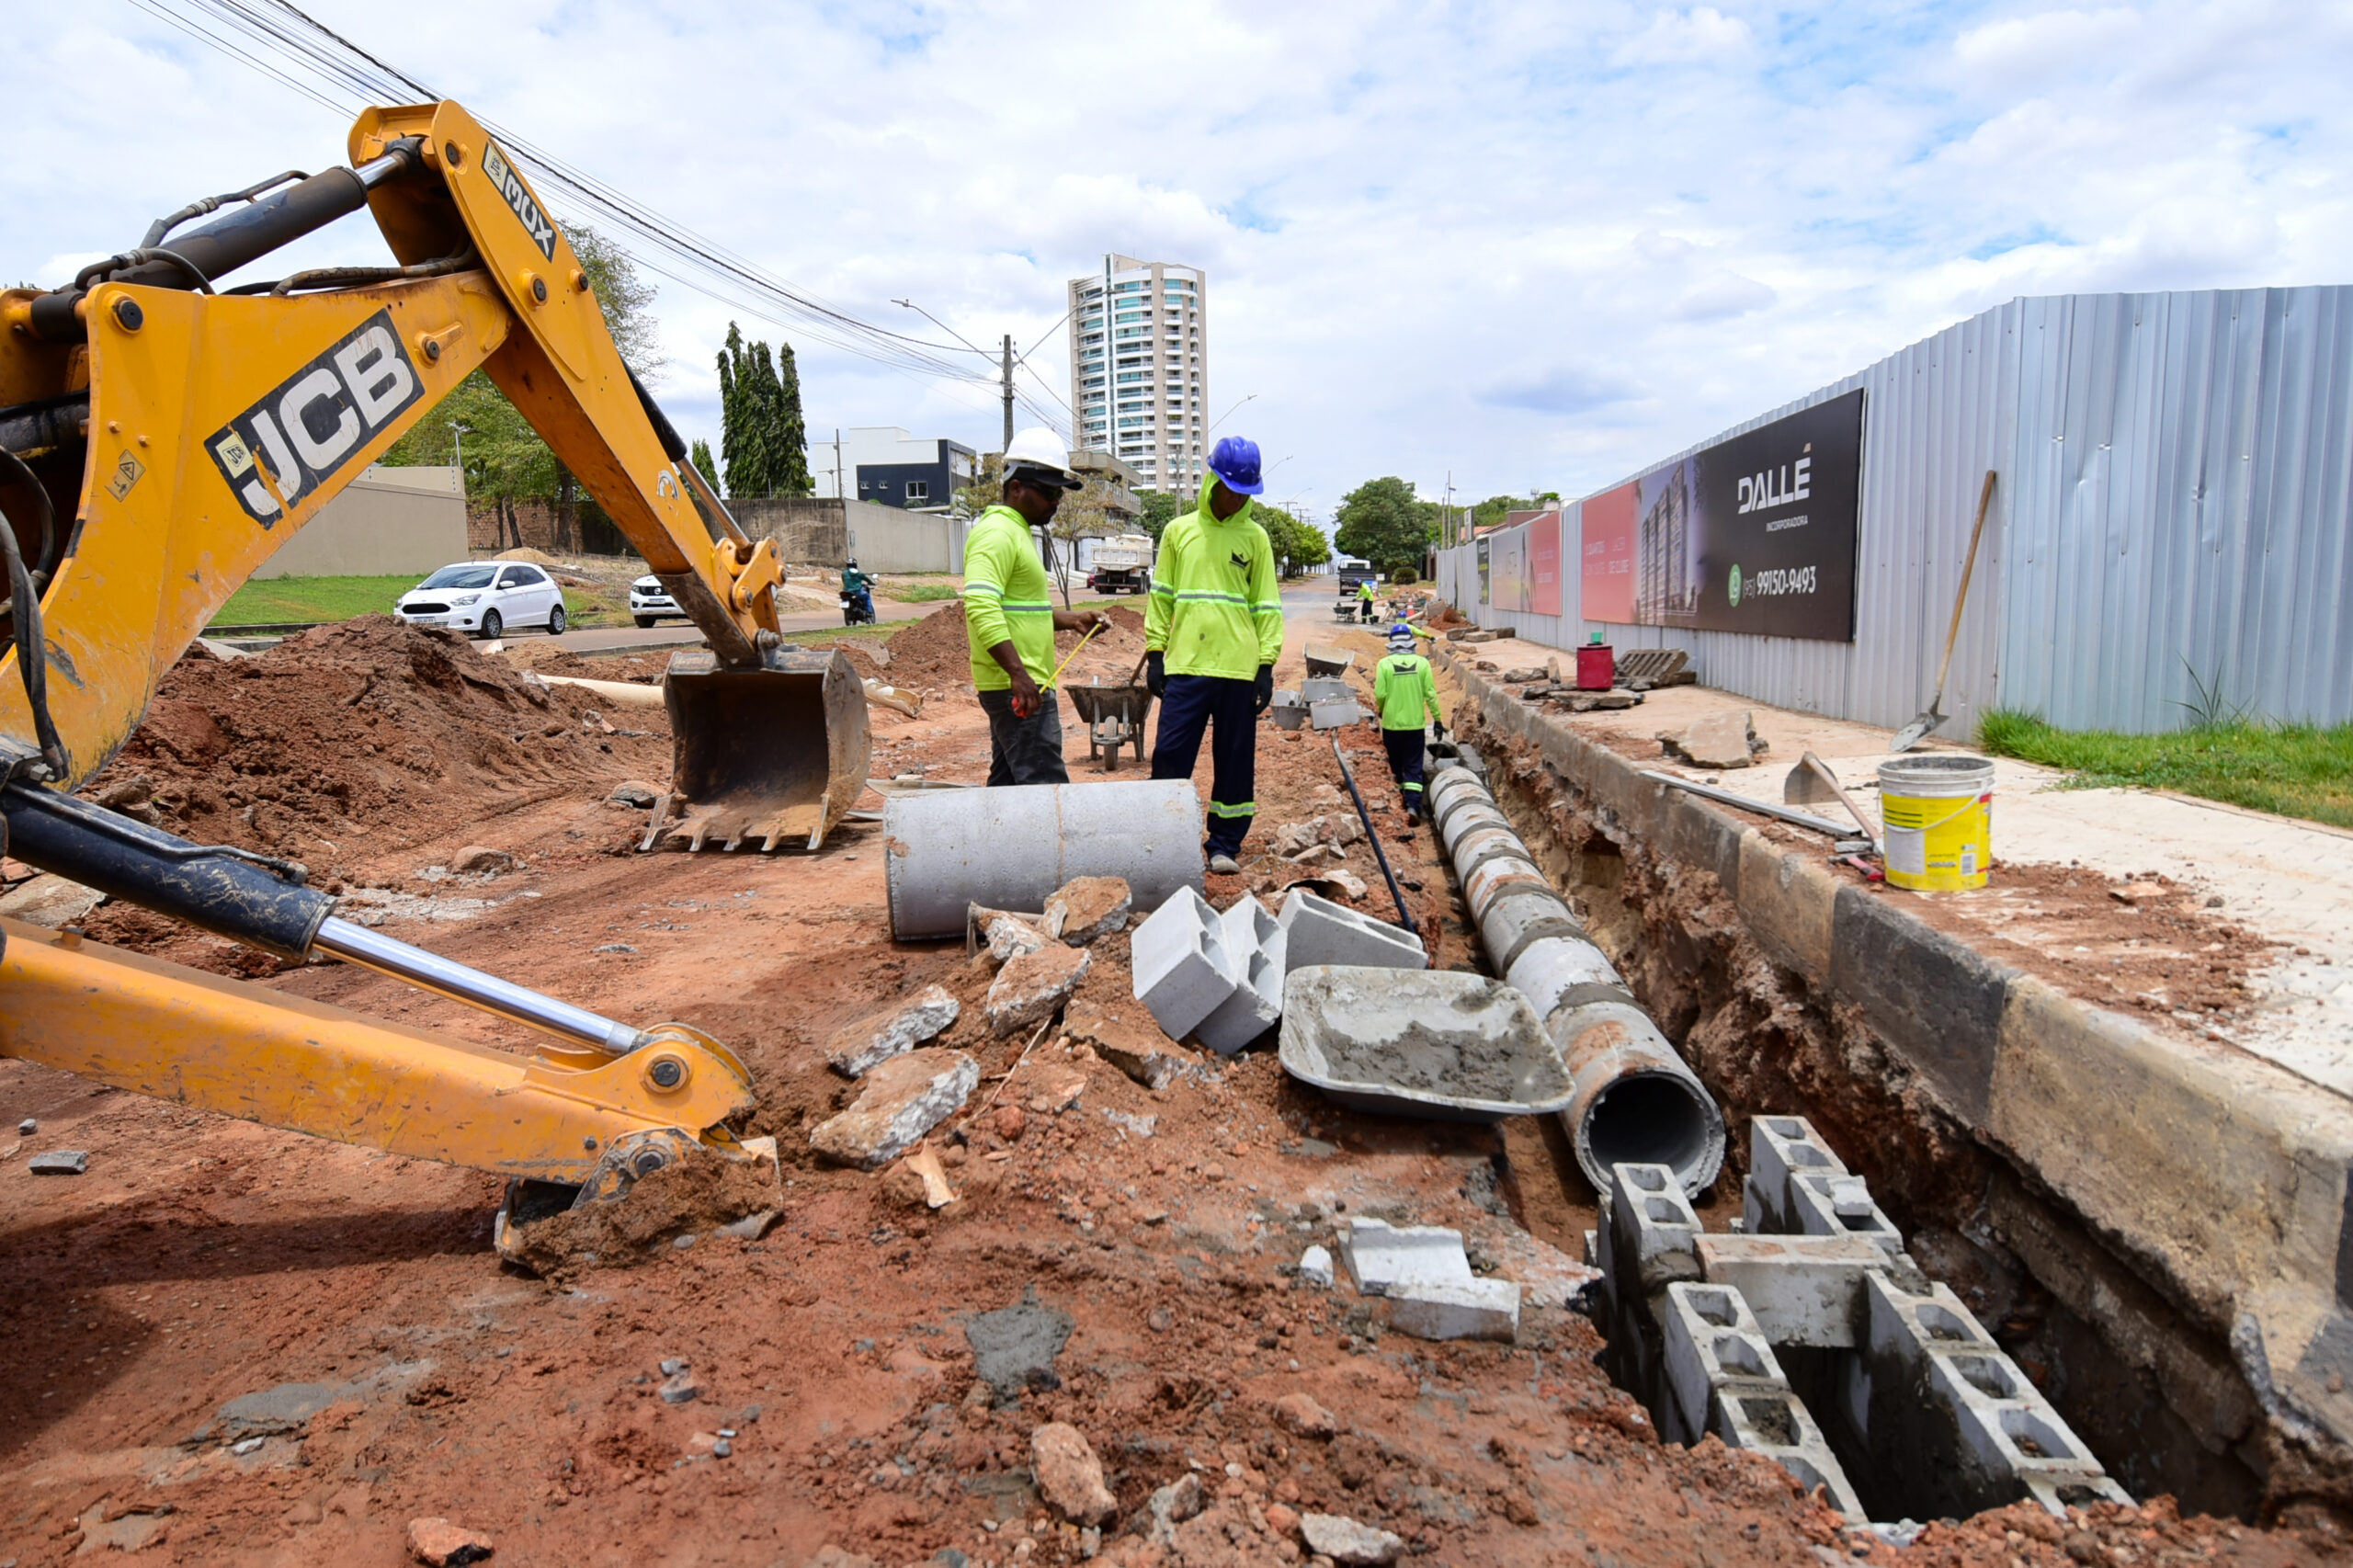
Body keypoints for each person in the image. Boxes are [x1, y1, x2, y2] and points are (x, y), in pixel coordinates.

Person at [1146, 436, 1283, 875]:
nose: (1236, 497)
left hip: (1239, 670)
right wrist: (1154, 652)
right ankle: (1166, 839)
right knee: (1169, 756)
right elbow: (1161, 596)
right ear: (1212, 480)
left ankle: (1224, 843)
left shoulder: (1256, 538)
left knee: (1235, 763)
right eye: (1230, 487)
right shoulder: (1179, 532)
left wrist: (1266, 665)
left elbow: (1266, 604)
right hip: (1186, 665)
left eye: (1245, 491)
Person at [962, 429, 1110, 787]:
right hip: (1018, 686)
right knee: (1046, 789)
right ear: (1016, 488)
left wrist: (1073, 619)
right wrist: (1018, 674)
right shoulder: (997, 533)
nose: (1056, 502)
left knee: (1008, 786)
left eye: (1058, 493)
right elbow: (981, 606)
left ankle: (997, 844)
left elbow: (1019, 611)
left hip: (1020, 683)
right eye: (1048, 492)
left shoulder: (1017, 533)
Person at [1372, 622, 1445, 824]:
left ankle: (1397, 806)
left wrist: (1382, 709)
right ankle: (1413, 805)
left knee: (1395, 766)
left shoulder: (1384, 664)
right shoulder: (1422, 664)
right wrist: (1437, 719)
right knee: (1413, 765)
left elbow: (1380, 694)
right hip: (1415, 726)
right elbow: (1430, 694)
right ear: (1411, 642)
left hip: (1391, 725)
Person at [841, 558, 874, 622]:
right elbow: (867, 580)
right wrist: (872, 583)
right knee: (867, 597)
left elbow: (843, 581)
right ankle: (869, 612)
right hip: (857, 592)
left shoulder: (844, 573)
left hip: (846, 592)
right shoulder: (859, 573)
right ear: (855, 565)